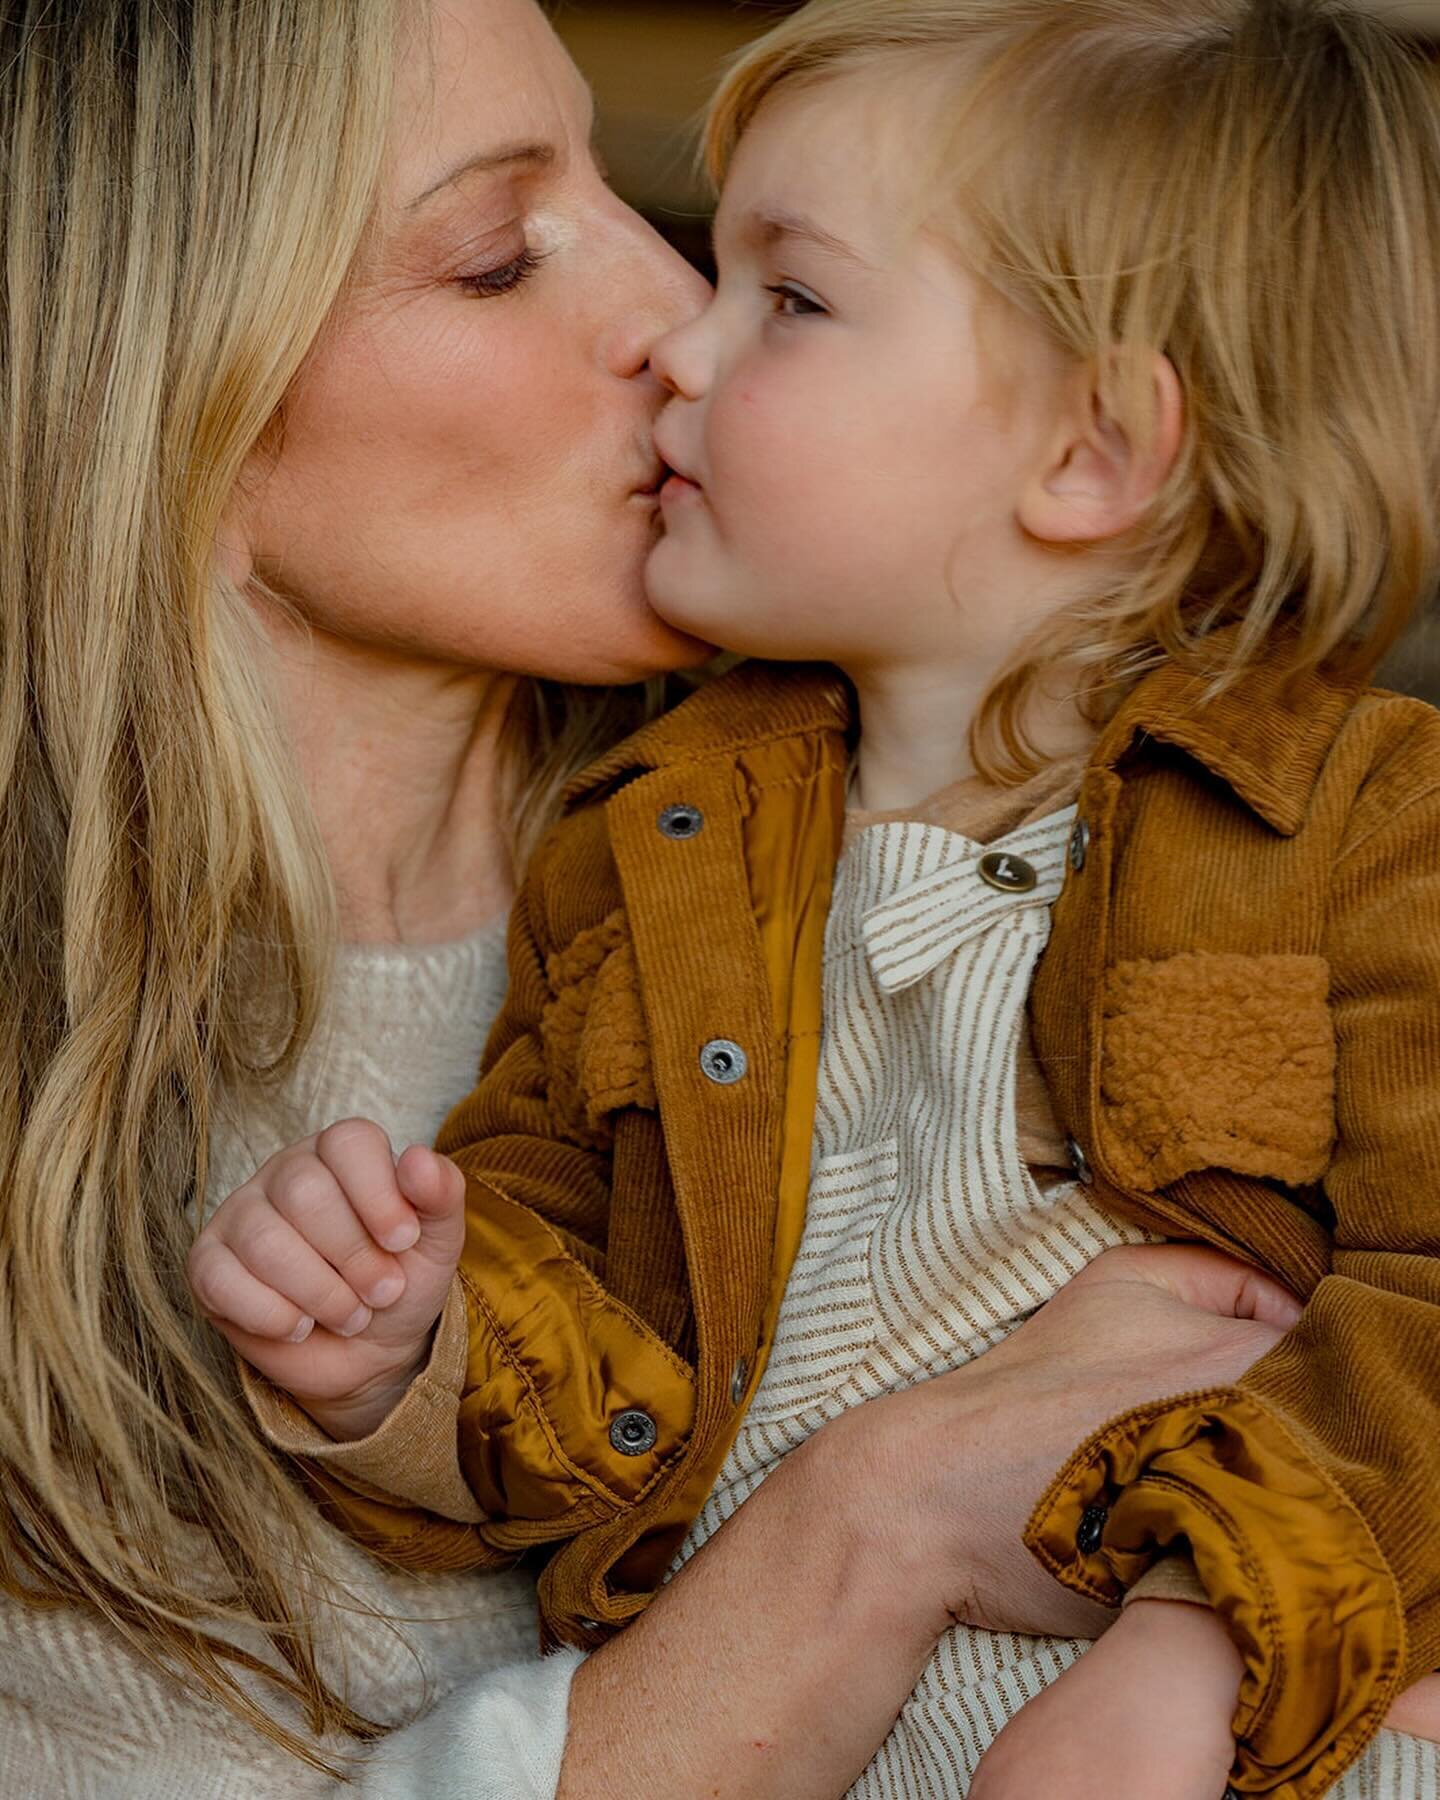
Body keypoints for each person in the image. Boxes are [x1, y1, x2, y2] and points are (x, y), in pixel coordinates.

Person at [0, 1, 1315, 1795]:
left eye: (624, 199)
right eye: (493, 259)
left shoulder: (954, 783)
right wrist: (878, 1522)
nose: (675, 318)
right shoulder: (60, 1154)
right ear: (164, 416)